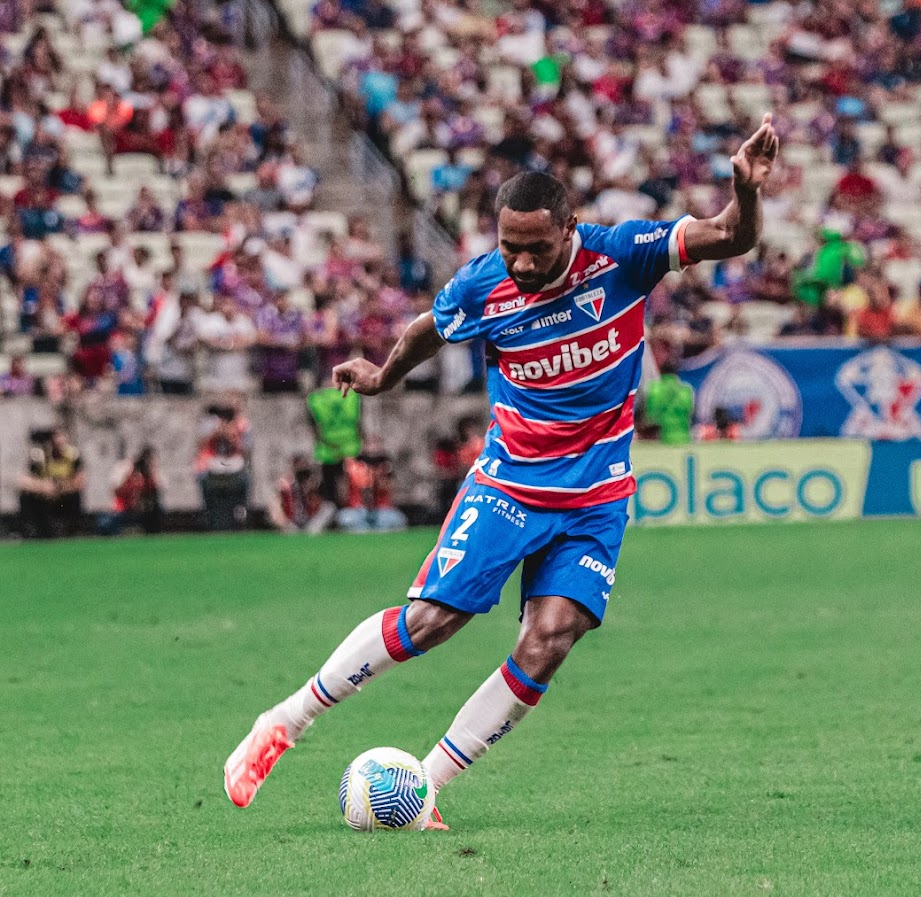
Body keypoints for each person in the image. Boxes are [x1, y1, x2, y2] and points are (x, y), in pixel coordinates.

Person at [223, 114, 781, 824]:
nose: (519, 263)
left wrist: (745, 191)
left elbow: (730, 233)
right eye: (508, 247)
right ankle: (285, 721)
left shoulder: (624, 255)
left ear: (570, 228)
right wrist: (384, 376)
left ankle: (422, 788)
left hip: (597, 495)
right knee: (432, 621)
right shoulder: (484, 286)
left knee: (551, 637)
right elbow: (428, 328)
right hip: (510, 484)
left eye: (535, 249)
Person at [307, 378, 362, 517]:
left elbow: (316, 429)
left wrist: (331, 445)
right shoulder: (352, 396)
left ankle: (331, 514)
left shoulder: (316, 399)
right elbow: (358, 423)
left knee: (330, 490)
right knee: (351, 487)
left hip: (328, 450)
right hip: (351, 449)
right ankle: (351, 514)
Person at [18, 428, 86, 539]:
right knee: (26, 496)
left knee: (75, 497)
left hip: (64, 494)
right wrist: (43, 487)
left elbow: (79, 481)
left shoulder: (73, 455)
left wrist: (59, 488)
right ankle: (32, 530)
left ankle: (73, 531)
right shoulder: (38, 456)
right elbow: (25, 480)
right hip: (44, 495)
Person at [194, 404, 251, 531]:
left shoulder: (241, 426)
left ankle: (240, 513)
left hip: (233, 464)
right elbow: (200, 446)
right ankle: (207, 517)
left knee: (245, 479)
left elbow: (246, 451)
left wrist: (232, 438)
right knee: (203, 479)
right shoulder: (210, 424)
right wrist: (216, 432)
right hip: (212, 465)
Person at [337, 446, 408, 532]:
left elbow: (389, 490)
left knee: (398, 519)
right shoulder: (353, 470)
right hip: (358, 511)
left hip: (382, 511)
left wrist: (375, 476)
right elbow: (342, 496)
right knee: (345, 518)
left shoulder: (384, 469)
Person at [97, 445, 163, 535]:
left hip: (141, 512)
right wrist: (128, 475)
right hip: (122, 511)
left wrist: (148, 474)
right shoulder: (125, 470)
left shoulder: (147, 475)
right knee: (104, 523)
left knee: (157, 512)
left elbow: (157, 489)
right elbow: (116, 490)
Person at [269, 456, 332, 534]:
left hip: (310, 519)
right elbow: (278, 504)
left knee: (329, 507)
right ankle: (293, 532)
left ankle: (311, 532)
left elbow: (319, 503)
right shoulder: (286, 483)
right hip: (291, 520)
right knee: (275, 509)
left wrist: (311, 488)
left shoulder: (313, 482)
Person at [641, 365, 695, 445]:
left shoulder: (654, 389)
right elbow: (691, 412)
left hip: (661, 439)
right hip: (684, 438)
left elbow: (650, 416)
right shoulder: (686, 390)